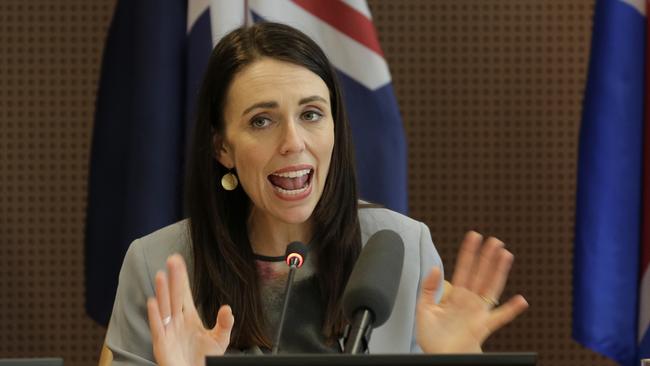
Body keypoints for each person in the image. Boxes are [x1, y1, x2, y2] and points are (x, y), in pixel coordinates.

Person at [104, 22, 529, 366]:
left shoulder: (401, 248)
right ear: (223, 148)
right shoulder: (157, 265)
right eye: (261, 121)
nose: (293, 142)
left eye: (311, 114)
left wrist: (458, 361)